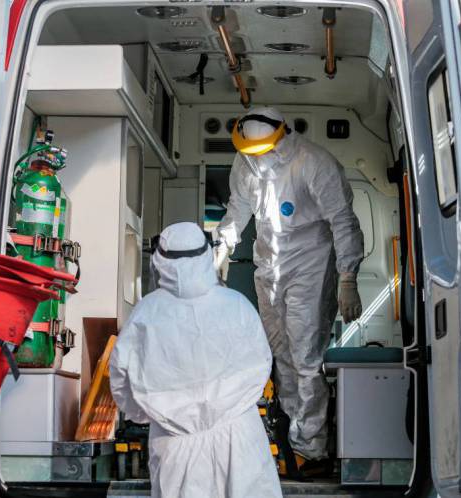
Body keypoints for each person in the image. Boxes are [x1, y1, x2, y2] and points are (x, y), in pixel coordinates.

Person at [214, 107, 364, 469]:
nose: (253, 158)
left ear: (279, 139)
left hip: (310, 265)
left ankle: (311, 449)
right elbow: (238, 208)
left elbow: (343, 221)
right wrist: (223, 246)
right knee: (281, 356)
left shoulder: (314, 163)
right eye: (247, 152)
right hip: (268, 266)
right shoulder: (246, 162)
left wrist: (347, 277)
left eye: (258, 151)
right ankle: (294, 441)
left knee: (306, 357)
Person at [109, 222, 282, 498]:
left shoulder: (145, 314)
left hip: (175, 447)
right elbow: (262, 365)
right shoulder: (237, 305)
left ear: (160, 261)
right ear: (205, 257)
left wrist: (146, 415)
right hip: (240, 440)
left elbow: (121, 381)